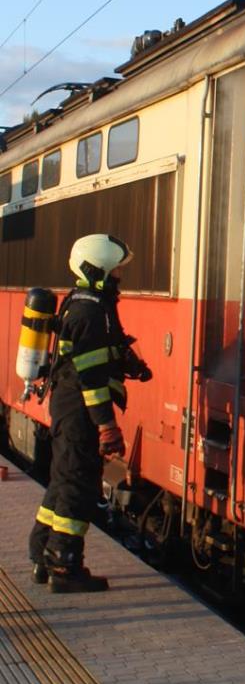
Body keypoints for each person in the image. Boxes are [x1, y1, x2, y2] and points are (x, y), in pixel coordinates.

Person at [28, 234, 152, 593]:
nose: (119, 278)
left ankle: (42, 555)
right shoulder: (90, 311)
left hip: (70, 408)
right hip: (80, 410)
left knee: (63, 481)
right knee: (78, 487)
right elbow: (91, 376)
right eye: (115, 271)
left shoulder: (87, 303)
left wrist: (130, 362)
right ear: (98, 270)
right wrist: (107, 426)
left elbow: (104, 349)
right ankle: (65, 567)